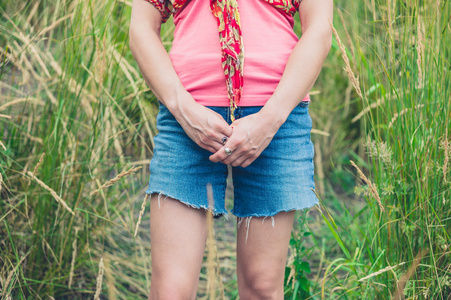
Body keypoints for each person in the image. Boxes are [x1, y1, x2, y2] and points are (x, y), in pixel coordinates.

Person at [129, 0, 333, 298]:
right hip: (186, 115)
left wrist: (270, 120)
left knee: (261, 285)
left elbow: (319, 29)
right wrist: (183, 109)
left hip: (278, 115)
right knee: (170, 290)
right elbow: (141, 28)